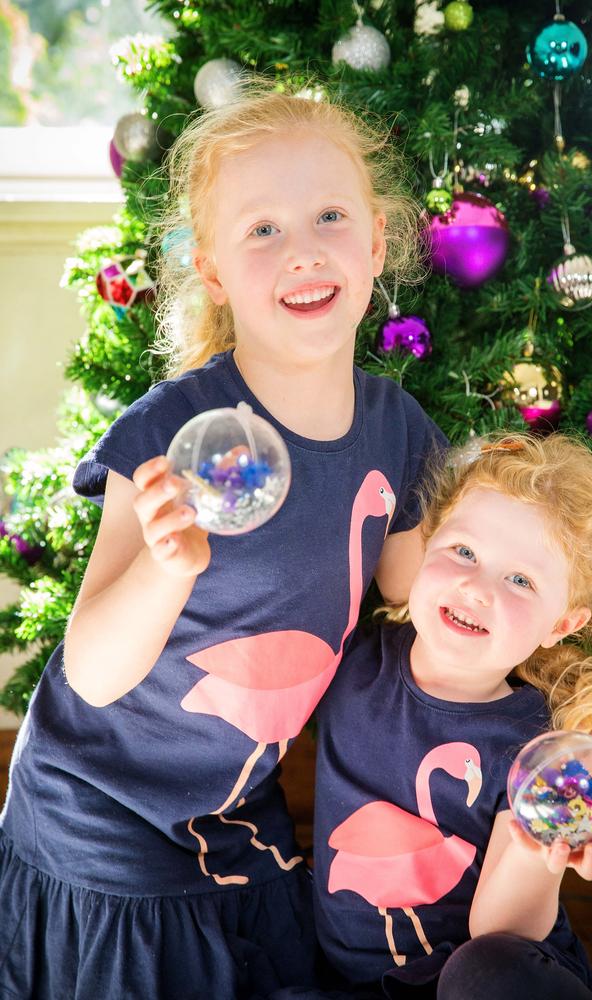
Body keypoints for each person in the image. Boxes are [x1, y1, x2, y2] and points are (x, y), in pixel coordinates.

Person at [0, 83, 447, 999]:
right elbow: (90, 669)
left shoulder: (396, 429)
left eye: (329, 216)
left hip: (236, 807)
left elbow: (409, 581)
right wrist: (166, 570)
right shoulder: (176, 430)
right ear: (211, 272)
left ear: (375, 243)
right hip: (106, 814)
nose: (304, 250)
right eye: (263, 230)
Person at [311, 432, 592, 1000]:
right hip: (349, 982)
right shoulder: (354, 659)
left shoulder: (534, 751)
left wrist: (534, 839)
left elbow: (498, 933)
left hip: (479, 978)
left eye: (521, 580)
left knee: (485, 972)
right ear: (424, 549)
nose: (477, 588)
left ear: (559, 626)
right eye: (463, 552)